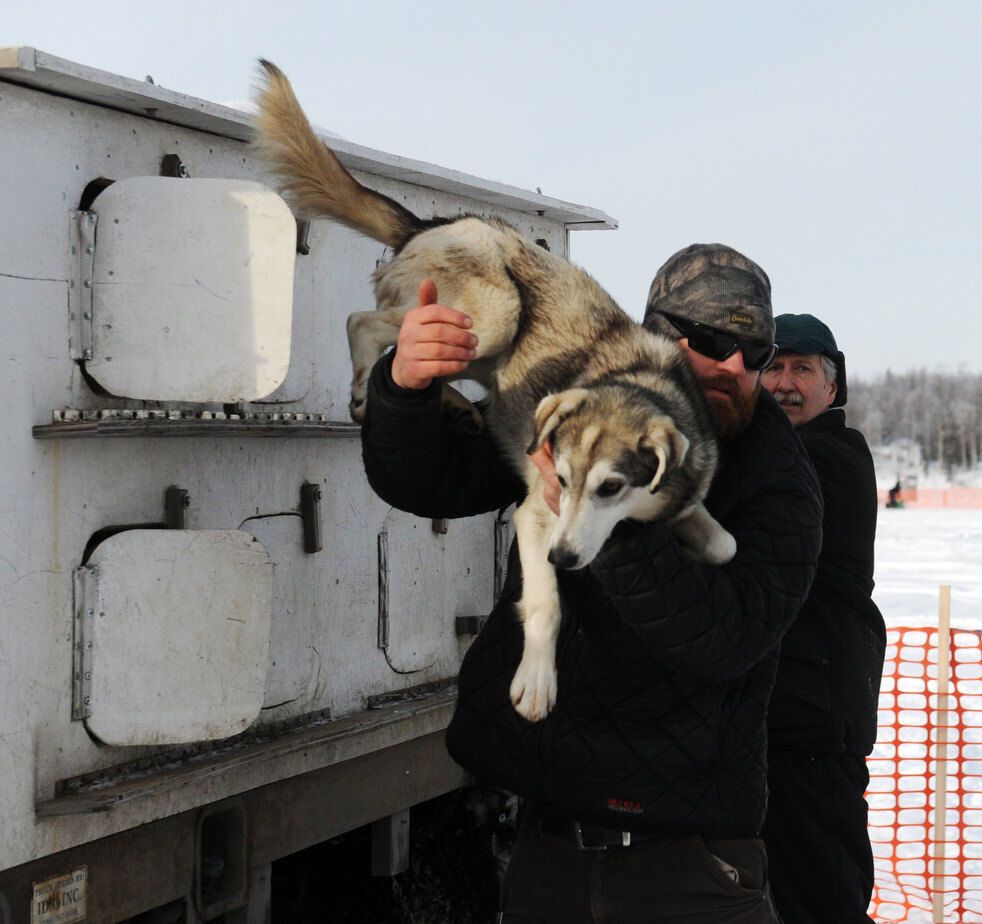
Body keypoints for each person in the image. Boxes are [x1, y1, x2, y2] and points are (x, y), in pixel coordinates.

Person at [360, 243, 823, 923]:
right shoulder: (577, 411)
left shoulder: (778, 478)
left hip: (688, 867)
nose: (733, 367)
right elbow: (433, 480)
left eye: (756, 353)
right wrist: (405, 389)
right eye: (712, 342)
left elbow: (724, 639)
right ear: (658, 336)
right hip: (548, 849)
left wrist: (607, 511)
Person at [760, 314, 886, 923]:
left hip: (815, 722)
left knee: (821, 895)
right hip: (781, 716)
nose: (785, 382)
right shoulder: (779, 454)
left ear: (832, 388)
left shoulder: (830, 456)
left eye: (802, 369)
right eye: (773, 367)